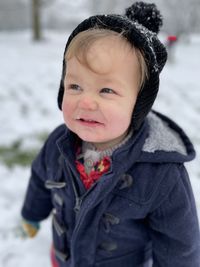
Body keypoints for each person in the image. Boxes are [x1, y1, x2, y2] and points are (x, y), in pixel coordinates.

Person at [20, 2, 200, 267]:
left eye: (106, 90)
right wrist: (31, 212)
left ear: (138, 104)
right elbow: (39, 178)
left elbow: (180, 244)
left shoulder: (162, 172)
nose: (87, 102)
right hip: (65, 259)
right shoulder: (58, 144)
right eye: (75, 86)